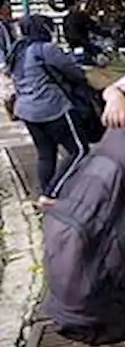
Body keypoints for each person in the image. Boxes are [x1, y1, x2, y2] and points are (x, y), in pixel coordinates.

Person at [7, 14, 93, 209]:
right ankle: (51, 193)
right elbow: (74, 72)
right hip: (52, 107)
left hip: (27, 110)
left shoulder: (18, 50)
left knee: (46, 153)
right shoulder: (45, 49)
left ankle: (46, 193)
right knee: (79, 149)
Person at [60, 0, 112, 65]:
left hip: (73, 51)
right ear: (76, 2)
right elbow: (96, 29)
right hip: (86, 50)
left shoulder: (66, 19)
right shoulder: (80, 16)